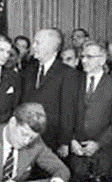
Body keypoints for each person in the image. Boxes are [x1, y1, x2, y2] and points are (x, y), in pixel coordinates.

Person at [69, 42, 112, 182]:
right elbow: (66, 114)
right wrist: (71, 140)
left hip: (104, 153)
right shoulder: (73, 81)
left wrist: (98, 143)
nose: (83, 60)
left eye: (89, 57)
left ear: (102, 59)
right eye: (82, 56)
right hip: (77, 151)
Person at [21, 28, 79, 157]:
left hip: (52, 140)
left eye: (37, 43)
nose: (33, 47)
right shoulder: (29, 70)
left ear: (51, 46)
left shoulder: (67, 73)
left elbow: (68, 109)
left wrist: (64, 142)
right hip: (27, 138)